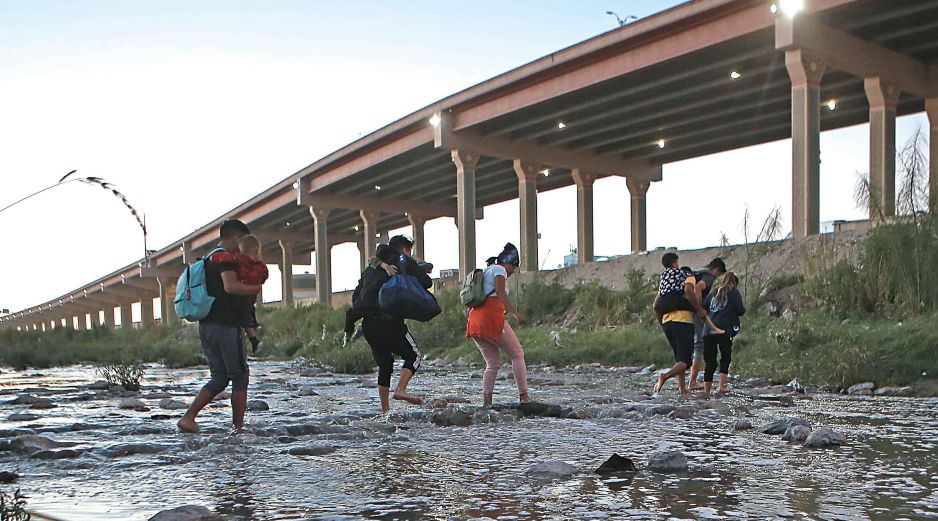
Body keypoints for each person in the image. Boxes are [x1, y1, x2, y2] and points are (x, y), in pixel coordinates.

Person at [178, 220, 263, 434]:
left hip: (207, 326)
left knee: (220, 377)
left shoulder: (208, 259)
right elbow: (230, 287)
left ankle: (188, 417)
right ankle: (238, 429)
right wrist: (255, 287)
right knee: (240, 376)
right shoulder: (227, 259)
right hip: (226, 326)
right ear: (237, 238)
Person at [353, 236, 431, 413]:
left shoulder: (371, 268)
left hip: (368, 325)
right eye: (409, 250)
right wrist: (415, 270)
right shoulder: (404, 261)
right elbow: (427, 283)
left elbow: (357, 294)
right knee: (414, 355)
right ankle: (401, 389)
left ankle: (385, 411)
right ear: (405, 249)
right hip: (391, 323)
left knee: (385, 364)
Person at [466, 243, 530, 406]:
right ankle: (524, 397)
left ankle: (487, 403)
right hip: (490, 318)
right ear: (509, 262)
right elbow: (500, 293)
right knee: (517, 354)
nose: (513, 271)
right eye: (514, 267)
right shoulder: (499, 269)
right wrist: (515, 314)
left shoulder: (487, 270)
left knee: (492, 364)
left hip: (474, 321)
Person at [652, 253, 707, 395]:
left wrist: (662, 323)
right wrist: (699, 309)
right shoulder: (687, 275)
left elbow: (655, 305)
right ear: (675, 263)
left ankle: (682, 389)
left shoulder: (664, 281)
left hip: (667, 322)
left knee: (679, 358)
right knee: (686, 361)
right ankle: (664, 376)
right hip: (683, 320)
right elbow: (688, 290)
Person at [208, 234, 268, 354]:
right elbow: (264, 276)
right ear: (257, 251)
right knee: (248, 311)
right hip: (248, 295)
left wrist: (212, 258)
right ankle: (254, 336)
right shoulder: (259, 265)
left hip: (241, 294)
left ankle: (253, 336)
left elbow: (221, 258)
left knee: (245, 313)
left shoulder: (237, 259)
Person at [702, 272, 745, 395]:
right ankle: (721, 386)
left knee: (710, 361)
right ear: (735, 283)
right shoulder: (734, 293)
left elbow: (704, 309)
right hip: (724, 330)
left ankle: (706, 390)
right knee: (725, 357)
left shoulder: (713, 292)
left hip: (708, 331)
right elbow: (740, 310)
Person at [689, 257, 728, 390]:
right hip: (694, 312)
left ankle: (690, 380)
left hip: (684, 312)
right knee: (699, 344)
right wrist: (699, 309)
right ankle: (692, 382)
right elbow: (697, 289)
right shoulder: (708, 277)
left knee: (693, 344)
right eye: (718, 274)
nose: (717, 277)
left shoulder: (697, 273)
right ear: (716, 270)